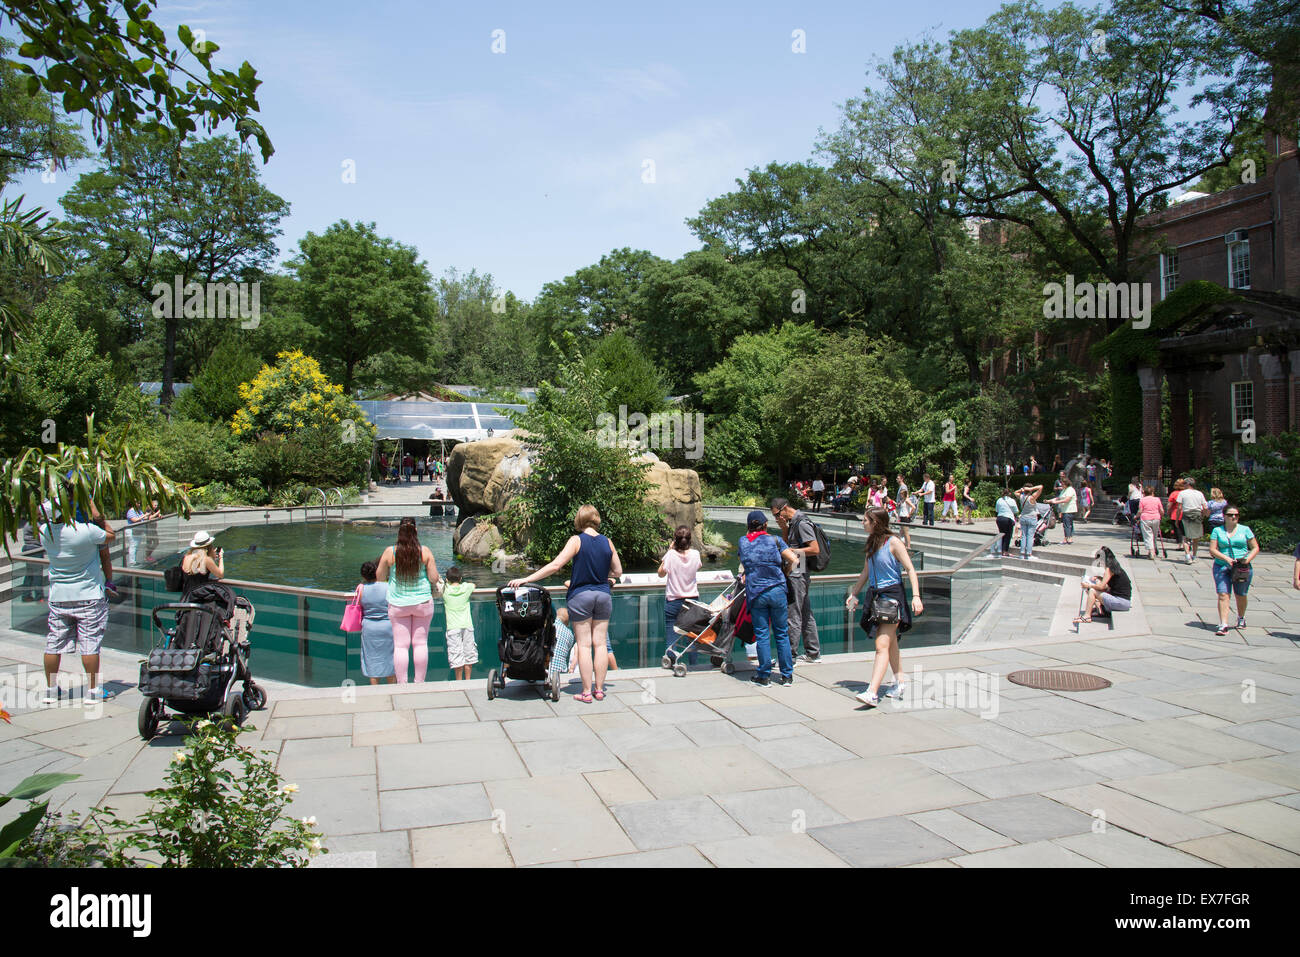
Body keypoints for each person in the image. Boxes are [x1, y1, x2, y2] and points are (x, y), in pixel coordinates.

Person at [509, 504, 622, 703]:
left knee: (585, 646)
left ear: (579, 519)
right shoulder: (608, 542)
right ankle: (599, 690)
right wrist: (607, 579)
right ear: (596, 519)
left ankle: (586, 691)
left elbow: (555, 565)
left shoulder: (576, 540)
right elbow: (618, 571)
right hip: (603, 595)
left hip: (581, 596)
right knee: (601, 644)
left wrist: (527, 579)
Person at [38, 494, 116, 704]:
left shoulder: (44, 532)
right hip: (88, 594)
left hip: (58, 596)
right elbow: (111, 535)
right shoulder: (86, 532)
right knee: (90, 644)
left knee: (53, 643)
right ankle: (92, 692)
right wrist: (90, 502)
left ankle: (51, 689)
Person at [846, 506, 923, 706]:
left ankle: (872, 691)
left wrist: (916, 596)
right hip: (876, 596)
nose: (862, 523)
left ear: (875, 522)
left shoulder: (893, 542)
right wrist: (854, 593)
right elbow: (866, 571)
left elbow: (909, 568)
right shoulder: (871, 543)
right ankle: (899, 681)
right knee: (891, 643)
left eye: (865, 520)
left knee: (881, 644)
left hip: (892, 596)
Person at [736, 510, 798, 687]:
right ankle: (787, 676)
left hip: (756, 592)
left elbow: (744, 562)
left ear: (748, 526)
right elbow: (795, 559)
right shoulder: (776, 540)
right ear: (765, 525)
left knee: (762, 634)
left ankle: (764, 676)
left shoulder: (743, 541)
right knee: (781, 632)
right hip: (778, 590)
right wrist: (784, 572)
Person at [376, 517, 440, 683]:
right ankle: (419, 683)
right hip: (422, 603)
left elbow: (380, 576)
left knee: (400, 645)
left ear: (399, 531)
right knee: (420, 644)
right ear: (416, 531)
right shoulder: (424, 551)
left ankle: (402, 684)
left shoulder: (390, 552)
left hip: (398, 604)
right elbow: (434, 578)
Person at [772, 498, 821, 663]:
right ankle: (813, 653)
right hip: (797, 572)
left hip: (798, 574)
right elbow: (786, 544)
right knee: (805, 613)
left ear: (784, 509)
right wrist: (784, 530)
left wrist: (792, 551)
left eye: (777, 515)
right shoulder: (792, 523)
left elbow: (815, 549)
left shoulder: (801, 523)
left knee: (793, 613)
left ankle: (789, 655)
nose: (777, 518)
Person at [1208, 506, 1258, 636]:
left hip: (1241, 566)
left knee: (1241, 594)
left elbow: (1255, 547)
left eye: (1236, 515)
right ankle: (1223, 624)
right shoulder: (1217, 531)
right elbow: (1213, 549)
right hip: (1222, 566)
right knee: (1223, 594)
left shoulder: (1245, 530)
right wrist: (1226, 558)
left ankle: (1241, 617)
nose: (1234, 517)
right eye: (1230, 515)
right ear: (1224, 516)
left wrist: (1247, 560)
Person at [658, 525, 701, 662]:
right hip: (692, 600)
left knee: (672, 634)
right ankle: (693, 664)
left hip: (674, 600)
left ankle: (672, 662)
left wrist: (670, 550)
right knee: (691, 634)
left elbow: (660, 573)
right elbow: (697, 567)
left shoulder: (671, 555)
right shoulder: (696, 554)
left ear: (675, 540)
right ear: (689, 540)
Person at [357, 560, 395, 685]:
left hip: (369, 627)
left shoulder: (361, 589)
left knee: (371, 659)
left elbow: (358, 605)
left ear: (363, 575)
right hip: (388, 626)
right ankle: (392, 688)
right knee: (390, 659)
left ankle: (375, 689)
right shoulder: (388, 586)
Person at [439, 566, 477, 680]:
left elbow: (438, 582)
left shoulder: (445, 589)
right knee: (469, 653)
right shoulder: (466, 587)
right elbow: (473, 585)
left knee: (456, 655)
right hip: (467, 625)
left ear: (447, 579)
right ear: (460, 578)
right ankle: (468, 680)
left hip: (453, 627)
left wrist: (442, 581)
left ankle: (458, 681)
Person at [1076, 546, 1133, 623]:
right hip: (1123, 601)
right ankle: (1100, 610)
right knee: (1091, 589)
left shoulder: (1109, 569)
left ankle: (1087, 616)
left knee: (1092, 590)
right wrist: (1099, 578)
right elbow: (1107, 586)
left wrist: (1089, 585)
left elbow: (1101, 587)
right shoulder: (1114, 566)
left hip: (1121, 602)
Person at [181, 530, 225, 598]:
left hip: (186, 596)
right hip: (199, 597)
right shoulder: (206, 559)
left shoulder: (187, 557)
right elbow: (220, 574)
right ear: (208, 545)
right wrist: (221, 557)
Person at [1177, 478, 1209, 563]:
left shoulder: (1182, 493)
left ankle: (1187, 556)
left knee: (1185, 537)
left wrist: (1177, 519)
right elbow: (1205, 507)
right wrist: (1203, 516)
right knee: (1196, 537)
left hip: (1186, 515)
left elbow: (1179, 508)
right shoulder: (1199, 493)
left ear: (1187, 484)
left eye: (1184, 484)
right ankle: (1194, 556)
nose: (1183, 485)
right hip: (1197, 515)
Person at [1046, 474, 1077, 545]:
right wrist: (1049, 500)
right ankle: (1068, 538)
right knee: (1068, 524)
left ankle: (1067, 539)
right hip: (1065, 510)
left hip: (1069, 510)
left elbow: (1067, 499)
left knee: (1067, 524)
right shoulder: (1064, 490)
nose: (1061, 485)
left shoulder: (1070, 489)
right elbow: (1058, 498)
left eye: (1062, 484)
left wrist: (1056, 502)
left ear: (1066, 483)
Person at [1137, 485, 1165, 560]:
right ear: (1152, 492)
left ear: (1145, 493)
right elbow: (1162, 510)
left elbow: (1140, 511)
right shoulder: (1157, 499)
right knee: (1154, 535)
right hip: (1156, 518)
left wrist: (1136, 516)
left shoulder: (1142, 500)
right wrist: (1161, 516)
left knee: (1148, 535)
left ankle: (1151, 551)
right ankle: (1153, 550)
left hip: (1145, 518)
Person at [1017, 483, 1044, 560]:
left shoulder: (1021, 497)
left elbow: (1015, 492)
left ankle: (1022, 554)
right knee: (1030, 537)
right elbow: (1040, 487)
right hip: (1032, 517)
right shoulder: (1032, 498)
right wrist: (1031, 489)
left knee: (1023, 536)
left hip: (1023, 517)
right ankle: (1028, 554)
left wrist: (1022, 489)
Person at [995, 488, 1019, 557]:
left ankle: (1000, 549)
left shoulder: (999, 500)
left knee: (1002, 534)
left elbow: (997, 510)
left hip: (999, 518)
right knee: (1008, 535)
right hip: (1008, 518)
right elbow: (1016, 510)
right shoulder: (1012, 500)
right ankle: (1005, 551)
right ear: (1010, 493)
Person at [895, 474, 914, 549]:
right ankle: (902, 544)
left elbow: (913, 506)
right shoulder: (900, 488)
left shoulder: (903, 487)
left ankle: (908, 546)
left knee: (905, 532)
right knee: (901, 531)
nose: (897, 479)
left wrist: (909, 514)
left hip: (905, 515)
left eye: (898, 478)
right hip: (901, 513)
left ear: (902, 479)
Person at [1166, 479, 1186, 552]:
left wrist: (1168, 512)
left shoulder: (1174, 494)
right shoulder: (1185, 493)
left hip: (1175, 514)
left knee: (1178, 530)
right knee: (1185, 530)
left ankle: (1180, 545)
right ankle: (1187, 544)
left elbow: (1169, 505)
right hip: (1186, 514)